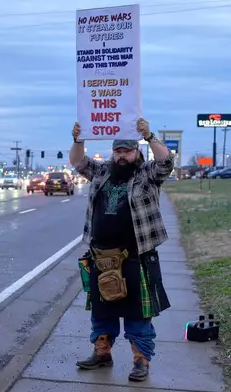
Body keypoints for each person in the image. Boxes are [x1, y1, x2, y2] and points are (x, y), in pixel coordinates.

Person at [69, 118, 174, 382]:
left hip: (136, 255)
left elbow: (166, 162)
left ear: (136, 152)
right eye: (118, 151)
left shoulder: (147, 174)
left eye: (127, 151)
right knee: (101, 310)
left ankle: (141, 360)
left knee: (138, 312)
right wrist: (78, 139)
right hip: (101, 256)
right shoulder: (103, 172)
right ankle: (102, 352)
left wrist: (149, 135)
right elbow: (77, 162)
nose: (122, 156)